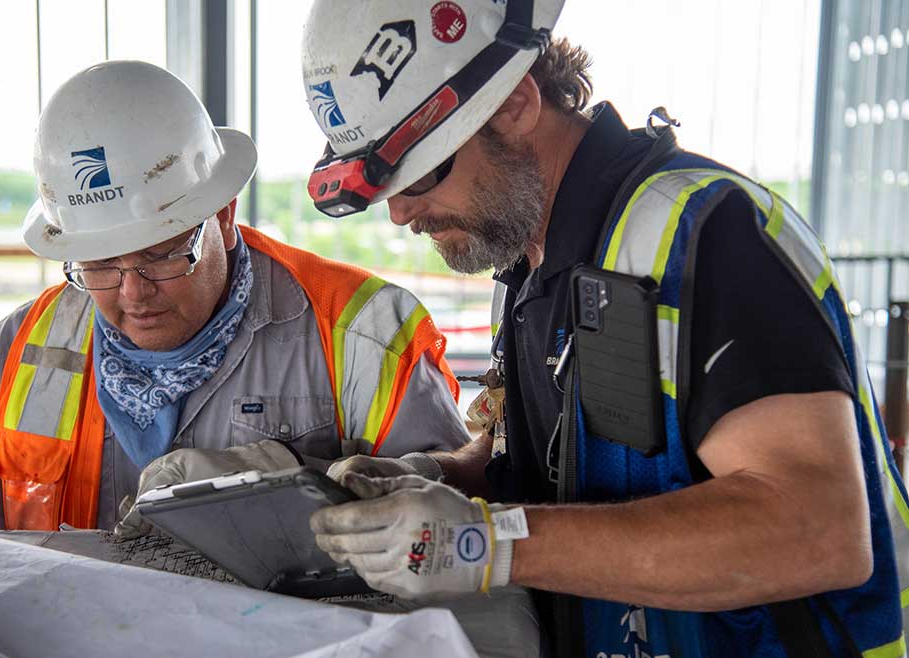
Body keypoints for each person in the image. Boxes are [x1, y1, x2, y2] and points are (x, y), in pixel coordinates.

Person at [299, 0, 909, 655]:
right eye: (385, 186)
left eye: (420, 170)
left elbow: (816, 531)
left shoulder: (709, 238)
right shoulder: (535, 265)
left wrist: (484, 543)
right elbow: (552, 475)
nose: (400, 213)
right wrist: (432, 480)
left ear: (514, 104)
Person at [0, 60, 469, 533]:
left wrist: (307, 476)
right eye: (99, 266)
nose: (133, 293)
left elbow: (455, 515)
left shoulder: (365, 338)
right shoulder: (16, 352)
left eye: (160, 255)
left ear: (222, 215)